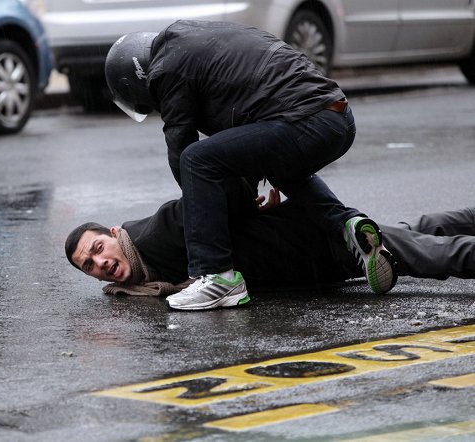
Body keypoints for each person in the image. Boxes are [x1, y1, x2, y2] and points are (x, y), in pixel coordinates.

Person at [103, 20, 396, 310]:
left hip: (305, 120)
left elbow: (181, 145)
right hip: (338, 119)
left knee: (195, 159)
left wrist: (217, 208)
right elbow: (245, 128)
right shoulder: (195, 38)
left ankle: (217, 277)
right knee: (275, 165)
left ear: (136, 80)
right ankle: (348, 225)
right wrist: (245, 190)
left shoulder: (165, 68)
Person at [65, 182, 475, 310]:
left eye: (98, 247)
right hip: (310, 252)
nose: (100, 263)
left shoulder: (159, 232)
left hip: (318, 243)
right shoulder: (143, 271)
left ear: (115, 233)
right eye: (90, 265)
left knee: (432, 256)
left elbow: (208, 193)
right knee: (419, 230)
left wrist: (250, 196)